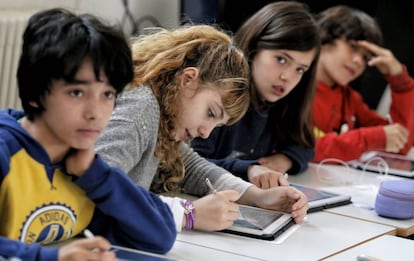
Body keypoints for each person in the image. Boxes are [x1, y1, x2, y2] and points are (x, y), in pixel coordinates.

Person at [95, 24, 309, 233]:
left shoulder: (163, 119)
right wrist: (188, 214)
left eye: (217, 125)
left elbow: (191, 166)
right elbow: (97, 184)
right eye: (210, 113)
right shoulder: (142, 107)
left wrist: (256, 196)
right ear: (188, 79)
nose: (206, 132)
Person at [0, 8, 176, 261]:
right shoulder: (6, 151)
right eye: (76, 93)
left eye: (108, 95)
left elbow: (159, 236)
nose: (95, 113)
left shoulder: (82, 167)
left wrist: (98, 176)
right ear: (36, 92)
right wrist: (52, 258)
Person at [191, 1, 320, 188]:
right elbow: (189, 164)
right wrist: (249, 169)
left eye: (300, 69)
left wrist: (286, 159)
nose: (287, 77)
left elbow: (305, 144)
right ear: (254, 49)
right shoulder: (219, 92)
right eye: (281, 59)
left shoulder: (281, 100)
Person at [311, 5, 414, 163]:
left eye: (366, 57)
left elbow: (399, 144)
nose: (359, 61)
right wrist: (368, 139)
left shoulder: (349, 98)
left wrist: (401, 83)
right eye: (353, 47)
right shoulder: (292, 83)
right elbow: (300, 149)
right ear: (324, 36)